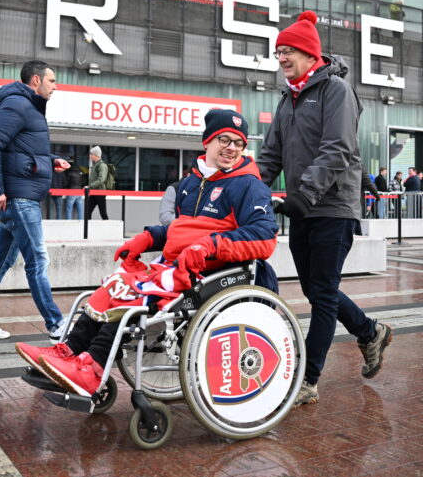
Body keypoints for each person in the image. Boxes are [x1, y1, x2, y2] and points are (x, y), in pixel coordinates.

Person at [16, 109, 277, 397]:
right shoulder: (191, 183)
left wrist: (209, 245)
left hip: (209, 270)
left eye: (238, 143)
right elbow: (181, 230)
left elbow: (263, 237)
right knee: (116, 282)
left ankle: (93, 368)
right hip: (177, 265)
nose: (231, 148)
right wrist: (148, 237)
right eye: (224, 140)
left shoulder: (248, 184)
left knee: (136, 294)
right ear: (207, 142)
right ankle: (67, 352)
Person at [255, 10, 391, 407]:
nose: (281, 57)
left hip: (333, 206)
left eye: (288, 50)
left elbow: (338, 149)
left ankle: (308, 379)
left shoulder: (335, 91)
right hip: (303, 207)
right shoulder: (287, 99)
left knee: (323, 293)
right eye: (278, 51)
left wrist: (304, 193)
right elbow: (270, 156)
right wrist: (244, 188)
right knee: (318, 291)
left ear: (310, 54)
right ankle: (369, 332)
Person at [0, 60, 69, 340]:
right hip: (20, 198)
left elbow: (21, 151)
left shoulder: (27, 107)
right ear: (35, 80)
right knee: (38, 260)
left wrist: (50, 160)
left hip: (23, 195)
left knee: (1, 260)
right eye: (52, 81)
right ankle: (56, 325)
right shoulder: (17, 105)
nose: (56, 87)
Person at [86, 146, 110, 220]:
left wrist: (90, 186)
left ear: (96, 155)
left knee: (103, 213)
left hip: (100, 192)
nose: (90, 156)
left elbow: (101, 179)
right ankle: (88, 229)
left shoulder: (102, 165)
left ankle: (109, 229)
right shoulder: (96, 165)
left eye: (91, 154)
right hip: (94, 192)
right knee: (87, 212)